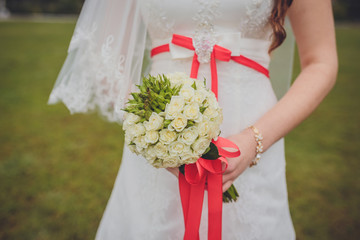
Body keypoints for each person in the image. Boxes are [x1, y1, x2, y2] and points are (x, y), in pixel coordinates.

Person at [48, 0, 338, 239]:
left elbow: (321, 61)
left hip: (256, 131)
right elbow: (103, 51)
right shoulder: (157, 134)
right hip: (158, 133)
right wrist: (156, 134)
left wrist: (253, 142)